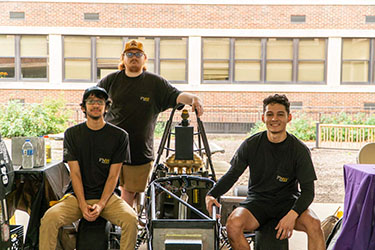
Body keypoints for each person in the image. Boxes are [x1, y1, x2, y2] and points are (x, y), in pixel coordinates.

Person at [205, 94, 325, 250]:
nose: (274, 119)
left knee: (314, 225)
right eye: (270, 114)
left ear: (289, 118)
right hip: (258, 202)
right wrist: (211, 194)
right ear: (263, 118)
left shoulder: (299, 150)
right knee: (233, 224)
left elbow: (308, 192)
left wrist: (292, 215)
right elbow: (232, 175)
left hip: (287, 202)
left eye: (280, 114)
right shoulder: (251, 145)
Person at [98, 39, 204, 207]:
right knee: (108, 190)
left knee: (130, 192)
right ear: (123, 58)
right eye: (130, 54)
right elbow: (93, 102)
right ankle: (118, 226)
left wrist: (193, 99)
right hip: (110, 149)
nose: (134, 57)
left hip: (139, 152)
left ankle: (127, 227)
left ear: (144, 58)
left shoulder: (155, 83)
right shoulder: (109, 81)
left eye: (138, 54)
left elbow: (177, 95)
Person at [39, 86, 138, 250]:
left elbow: (113, 176)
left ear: (106, 107)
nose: (95, 105)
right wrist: (83, 204)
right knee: (49, 218)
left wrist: (100, 204)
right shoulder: (72, 134)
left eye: (100, 102)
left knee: (131, 219)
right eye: (91, 101)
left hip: (107, 197)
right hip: (77, 197)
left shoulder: (120, 136)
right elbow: (75, 174)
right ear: (83, 107)